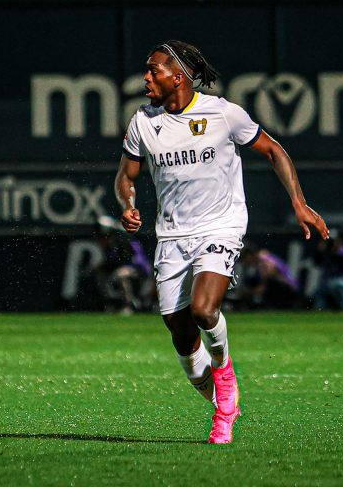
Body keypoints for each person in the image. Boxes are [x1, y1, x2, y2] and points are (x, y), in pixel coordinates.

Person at [114, 39, 329, 444]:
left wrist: (300, 204)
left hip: (221, 227)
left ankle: (225, 375)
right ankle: (222, 405)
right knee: (180, 333)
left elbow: (275, 151)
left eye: (153, 70)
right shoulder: (143, 121)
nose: (145, 77)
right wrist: (127, 203)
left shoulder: (224, 113)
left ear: (177, 76)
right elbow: (126, 176)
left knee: (203, 308)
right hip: (172, 236)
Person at [90, 215, 154, 315]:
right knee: (101, 272)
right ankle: (110, 303)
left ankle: (129, 305)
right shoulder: (113, 240)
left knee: (121, 274)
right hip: (129, 268)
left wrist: (106, 265)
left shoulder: (121, 237)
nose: (100, 238)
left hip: (140, 269)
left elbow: (129, 259)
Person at [233, 243, 302, 310]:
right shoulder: (262, 258)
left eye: (245, 258)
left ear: (250, 255)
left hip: (289, 289)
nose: (245, 262)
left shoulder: (263, 259)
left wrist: (250, 292)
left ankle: (273, 306)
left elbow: (269, 278)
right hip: (285, 287)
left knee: (269, 282)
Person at [312, 229, 343, 310]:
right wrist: (319, 251)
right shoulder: (327, 252)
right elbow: (316, 262)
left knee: (337, 285)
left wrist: (333, 249)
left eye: (332, 241)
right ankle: (319, 311)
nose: (331, 244)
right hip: (332, 282)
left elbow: (342, 260)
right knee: (320, 289)